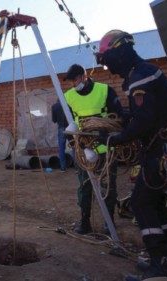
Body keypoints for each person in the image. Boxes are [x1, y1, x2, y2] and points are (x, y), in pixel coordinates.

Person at [95, 30, 167, 280]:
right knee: (156, 204)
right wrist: (124, 119)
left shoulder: (140, 77)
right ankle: (166, 261)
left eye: (107, 59)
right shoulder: (144, 72)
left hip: (162, 151)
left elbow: (144, 122)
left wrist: (114, 139)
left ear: (119, 52)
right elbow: (146, 115)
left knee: (141, 203)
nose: (108, 67)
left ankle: (160, 264)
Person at [63, 63, 124, 235]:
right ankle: (84, 222)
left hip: (106, 149)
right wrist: (78, 145)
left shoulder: (105, 90)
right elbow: (66, 126)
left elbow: (118, 118)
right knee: (84, 187)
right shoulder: (68, 97)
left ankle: (109, 222)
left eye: (75, 80)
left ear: (84, 76)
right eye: (71, 81)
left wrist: (106, 131)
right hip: (83, 150)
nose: (74, 84)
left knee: (108, 186)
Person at [51, 99, 69, 172]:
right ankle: (78, 169)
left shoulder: (54, 106)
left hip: (61, 128)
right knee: (74, 146)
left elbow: (54, 120)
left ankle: (63, 168)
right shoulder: (69, 104)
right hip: (70, 127)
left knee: (61, 148)